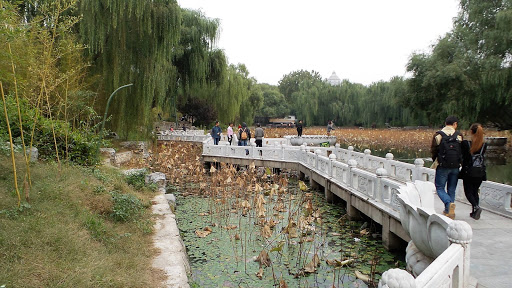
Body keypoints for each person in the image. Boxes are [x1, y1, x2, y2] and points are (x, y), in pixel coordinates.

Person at [431, 115, 463, 219]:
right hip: (455, 166)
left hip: (443, 166)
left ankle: (448, 204)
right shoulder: (459, 136)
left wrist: (436, 160)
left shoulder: (438, 135)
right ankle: (449, 211)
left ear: (445, 123)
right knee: (452, 188)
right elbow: (462, 150)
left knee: (440, 188)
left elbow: (434, 150)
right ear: (455, 124)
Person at [459, 123, 486, 220]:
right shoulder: (483, 145)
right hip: (480, 172)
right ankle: (474, 212)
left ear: (471, 132)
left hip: (469, 171)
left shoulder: (466, 144)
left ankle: (476, 207)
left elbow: (463, 157)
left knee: (468, 192)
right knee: (475, 191)